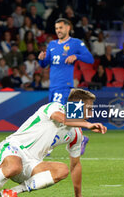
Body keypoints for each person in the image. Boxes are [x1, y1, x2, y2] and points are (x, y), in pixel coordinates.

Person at [0, 88, 107, 197]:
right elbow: (62, 119)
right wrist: (87, 124)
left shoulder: (76, 134)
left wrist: (78, 196)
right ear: (76, 107)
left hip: (32, 162)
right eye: (88, 108)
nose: (91, 113)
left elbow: (75, 165)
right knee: (14, 167)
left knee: (62, 170)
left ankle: (11, 192)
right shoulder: (54, 107)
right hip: (13, 148)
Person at [38, 18, 94, 155]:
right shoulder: (51, 44)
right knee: (67, 118)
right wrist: (41, 59)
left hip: (65, 86)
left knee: (56, 117)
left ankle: (48, 147)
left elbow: (90, 59)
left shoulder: (76, 43)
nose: (58, 30)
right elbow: (45, 64)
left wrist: (76, 56)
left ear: (68, 28)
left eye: (61, 28)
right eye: (56, 28)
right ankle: (81, 139)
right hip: (53, 86)